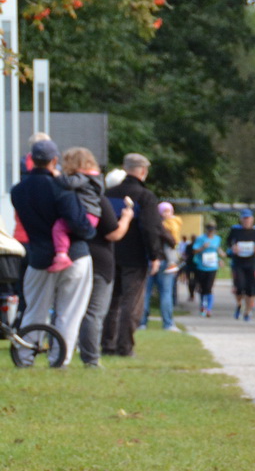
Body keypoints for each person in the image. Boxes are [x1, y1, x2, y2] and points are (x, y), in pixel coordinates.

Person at [8, 138, 95, 364]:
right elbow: (79, 224)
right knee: (69, 312)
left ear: (31, 160)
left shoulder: (18, 191)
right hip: (75, 255)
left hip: (38, 256)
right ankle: (60, 359)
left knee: (34, 309)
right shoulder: (61, 187)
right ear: (54, 160)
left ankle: (25, 356)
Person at [60, 148, 131, 368]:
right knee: (93, 312)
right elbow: (113, 233)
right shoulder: (96, 197)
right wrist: (127, 217)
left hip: (68, 255)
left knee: (66, 310)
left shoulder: (63, 192)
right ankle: (91, 359)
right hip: (99, 260)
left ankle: (61, 354)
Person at [102, 154, 165, 357]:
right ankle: (125, 346)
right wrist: (155, 255)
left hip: (110, 253)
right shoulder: (145, 196)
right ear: (143, 171)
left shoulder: (109, 194)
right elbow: (150, 228)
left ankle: (107, 344)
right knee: (132, 302)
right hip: (135, 257)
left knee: (111, 302)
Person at [141, 201, 181, 331]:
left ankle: (142, 322)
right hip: (164, 261)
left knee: (145, 293)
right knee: (166, 293)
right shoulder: (165, 226)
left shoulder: (146, 224)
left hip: (148, 260)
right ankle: (168, 323)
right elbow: (173, 242)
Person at [225, 208, 255, 320]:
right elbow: (228, 241)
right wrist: (232, 247)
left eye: (248, 219)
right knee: (239, 286)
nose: (246, 221)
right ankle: (239, 304)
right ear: (241, 219)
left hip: (252, 263)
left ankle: (248, 311)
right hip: (238, 263)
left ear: (252, 219)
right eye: (244, 219)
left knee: (250, 288)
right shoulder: (235, 230)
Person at [189, 224, 223, 316]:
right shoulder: (200, 239)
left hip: (213, 266)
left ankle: (209, 309)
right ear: (206, 230)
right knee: (202, 288)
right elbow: (194, 251)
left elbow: (217, 250)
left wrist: (220, 259)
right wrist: (203, 247)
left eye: (213, 230)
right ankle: (202, 306)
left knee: (209, 287)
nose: (211, 232)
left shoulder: (217, 239)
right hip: (201, 266)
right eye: (209, 230)